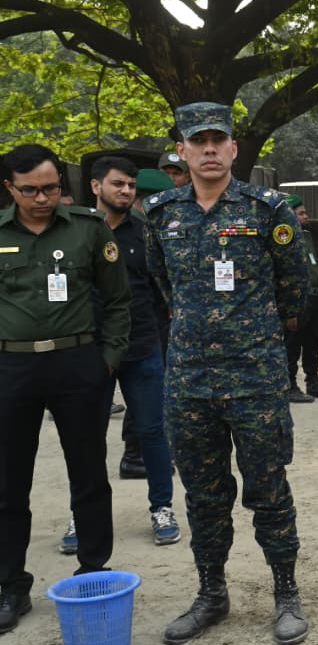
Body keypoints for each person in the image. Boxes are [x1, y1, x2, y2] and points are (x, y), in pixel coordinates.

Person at [144, 102, 311, 645]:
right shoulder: (162, 213)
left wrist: (255, 337)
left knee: (269, 487)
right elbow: (162, 286)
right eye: (199, 141)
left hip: (256, 378)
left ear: (234, 149)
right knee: (203, 494)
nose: (210, 149)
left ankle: (285, 591)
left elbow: (296, 288)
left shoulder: (268, 210)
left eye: (219, 139)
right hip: (189, 379)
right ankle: (211, 593)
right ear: (183, 151)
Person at [0, 143, 130, 634]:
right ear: (9, 187)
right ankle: (11, 585)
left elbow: (118, 302)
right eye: (30, 189)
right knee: (8, 483)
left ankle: (94, 573)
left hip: (78, 364)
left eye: (51, 188)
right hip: (10, 368)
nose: (42, 198)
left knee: (89, 475)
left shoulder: (88, 231)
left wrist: (107, 362)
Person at [88, 156, 181, 546]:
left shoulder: (145, 234)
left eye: (130, 186)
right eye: (118, 185)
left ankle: (162, 508)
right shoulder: (79, 233)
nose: (126, 191)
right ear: (96, 187)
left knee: (152, 433)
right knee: (86, 437)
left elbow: (164, 290)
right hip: (91, 351)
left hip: (142, 348)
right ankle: (84, 516)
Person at [283, 194, 318, 403]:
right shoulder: (283, 237)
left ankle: (313, 382)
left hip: (313, 296)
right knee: (293, 343)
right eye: (301, 213)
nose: (306, 216)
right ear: (289, 215)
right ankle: (289, 385)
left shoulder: (306, 236)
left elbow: (313, 267)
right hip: (298, 297)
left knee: (313, 342)